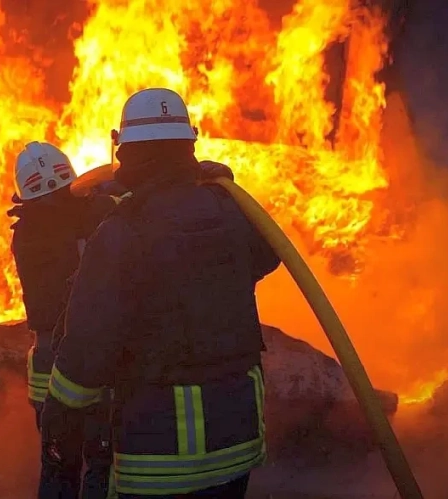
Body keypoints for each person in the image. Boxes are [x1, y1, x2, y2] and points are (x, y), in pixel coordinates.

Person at [40, 88, 281, 498]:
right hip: (237, 446)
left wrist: (58, 417)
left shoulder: (121, 232)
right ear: (190, 145)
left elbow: (86, 350)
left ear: (126, 151)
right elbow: (267, 255)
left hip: (158, 458)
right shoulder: (231, 211)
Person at [8, 141, 119, 499]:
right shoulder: (89, 216)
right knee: (101, 462)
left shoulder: (25, 232)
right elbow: (116, 209)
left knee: (58, 466)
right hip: (86, 368)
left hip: (46, 374)